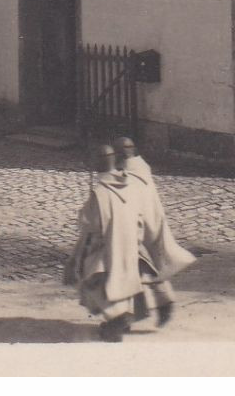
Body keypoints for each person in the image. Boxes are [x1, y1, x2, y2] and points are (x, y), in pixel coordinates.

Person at [65, 143, 156, 341]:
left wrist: (75, 258)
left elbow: (90, 227)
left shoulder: (99, 193)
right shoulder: (129, 184)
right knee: (126, 278)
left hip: (106, 248)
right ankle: (124, 316)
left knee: (92, 279)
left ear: (97, 163)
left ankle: (117, 320)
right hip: (130, 244)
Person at [113, 136, 195, 326]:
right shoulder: (140, 168)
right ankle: (163, 302)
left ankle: (127, 317)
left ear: (123, 154)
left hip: (137, 230)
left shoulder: (129, 176)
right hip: (150, 224)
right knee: (150, 267)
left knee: (133, 270)